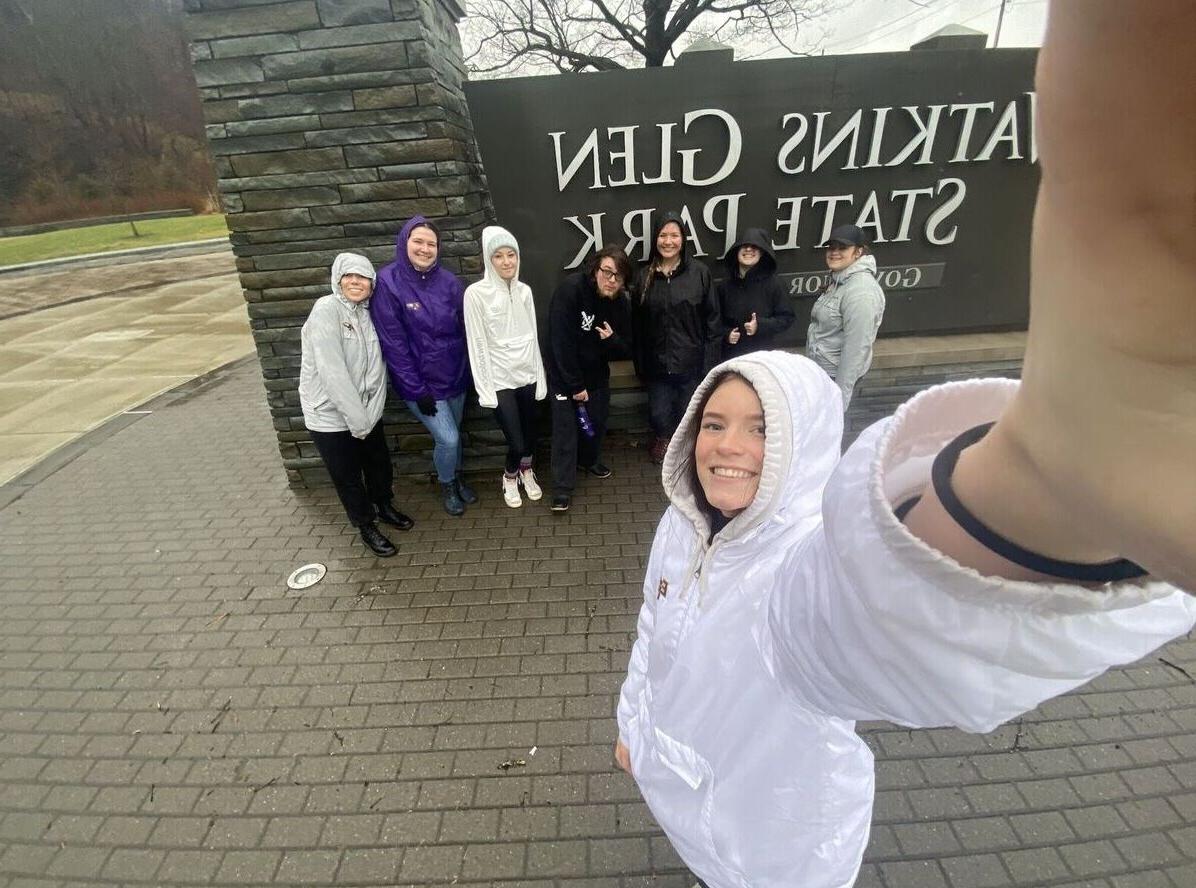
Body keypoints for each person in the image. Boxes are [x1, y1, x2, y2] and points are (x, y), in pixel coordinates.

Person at [614, 2, 1196, 886]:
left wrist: (1055, 484)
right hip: (676, 797)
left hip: (777, 856)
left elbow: (880, 618)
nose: (726, 448)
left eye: (762, 429)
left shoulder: (794, 583)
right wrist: (635, 730)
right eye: (715, 424)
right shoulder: (681, 529)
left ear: (805, 447)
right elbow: (654, 633)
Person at [298, 253, 414, 557]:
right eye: (348, 276)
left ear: (371, 284)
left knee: (379, 465)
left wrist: (372, 413)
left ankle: (384, 505)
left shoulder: (369, 314)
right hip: (330, 417)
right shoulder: (326, 310)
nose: (355, 282)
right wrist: (358, 420)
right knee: (348, 477)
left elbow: (378, 368)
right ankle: (366, 526)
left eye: (362, 277)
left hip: (367, 412)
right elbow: (332, 372)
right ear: (338, 280)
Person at [371, 215, 479, 516]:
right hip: (421, 385)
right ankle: (446, 484)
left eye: (431, 243)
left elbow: (464, 328)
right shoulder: (388, 284)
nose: (425, 248)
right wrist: (417, 390)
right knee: (448, 438)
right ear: (404, 242)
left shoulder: (449, 282)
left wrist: (472, 373)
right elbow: (394, 346)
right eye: (418, 241)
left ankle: (456, 479)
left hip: (454, 377)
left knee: (455, 433)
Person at [545, 245, 634, 513]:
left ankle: (589, 459)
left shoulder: (620, 303)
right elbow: (559, 342)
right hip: (565, 376)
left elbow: (626, 348)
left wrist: (612, 340)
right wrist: (575, 386)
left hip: (596, 376)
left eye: (618, 277)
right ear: (595, 269)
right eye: (607, 272)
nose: (611, 280)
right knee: (566, 433)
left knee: (594, 423)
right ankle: (562, 488)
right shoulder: (571, 290)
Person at [463, 225, 547, 508]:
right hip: (500, 381)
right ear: (489, 260)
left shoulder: (524, 291)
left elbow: (533, 336)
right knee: (517, 441)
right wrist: (485, 388)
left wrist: (540, 378)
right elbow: (477, 344)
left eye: (511, 254)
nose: (507, 261)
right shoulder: (476, 294)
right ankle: (510, 476)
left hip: (528, 375)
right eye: (499, 256)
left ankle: (526, 470)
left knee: (532, 436)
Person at [632, 211, 720, 464]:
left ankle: (685, 450)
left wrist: (709, 365)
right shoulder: (644, 277)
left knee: (687, 413)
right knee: (659, 414)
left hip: (691, 363)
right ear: (655, 239)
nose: (668, 241)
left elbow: (712, 321)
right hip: (657, 364)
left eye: (674, 235)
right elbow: (637, 325)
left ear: (683, 239)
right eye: (663, 235)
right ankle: (662, 439)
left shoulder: (700, 274)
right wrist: (641, 364)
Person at [805, 223, 885, 410]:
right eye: (831, 247)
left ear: (858, 252)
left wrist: (838, 402)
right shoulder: (838, 279)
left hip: (833, 379)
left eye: (843, 248)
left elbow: (856, 350)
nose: (835, 252)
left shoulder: (861, 291)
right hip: (821, 374)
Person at [715, 227, 795, 361]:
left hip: (762, 358)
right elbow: (716, 321)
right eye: (744, 246)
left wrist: (761, 325)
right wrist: (726, 335)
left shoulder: (775, 284)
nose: (748, 250)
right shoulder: (725, 286)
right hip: (731, 358)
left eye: (754, 247)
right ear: (736, 251)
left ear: (763, 252)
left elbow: (787, 318)